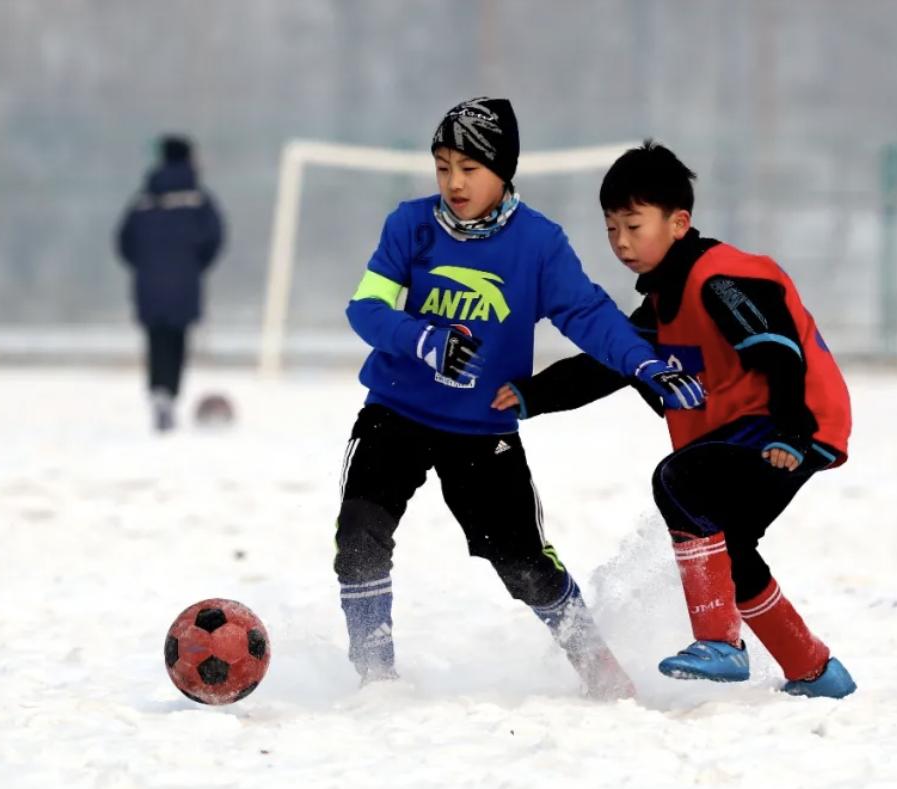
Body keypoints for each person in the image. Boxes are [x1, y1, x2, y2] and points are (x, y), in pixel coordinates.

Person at [338, 99, 705, 696]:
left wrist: (645, 363)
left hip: (483, 429)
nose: (454, 182)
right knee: (358, 534)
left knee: (523, 564)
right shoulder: (408, 225)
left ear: (503, 171)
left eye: (469, 168)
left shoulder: (538, 243)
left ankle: (599, 669)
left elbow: (588, 315)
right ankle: (375, 673)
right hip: (394, 411)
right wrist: (422, 339)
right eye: (442, 166)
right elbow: (365, 307)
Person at [492, 141, 857, 698]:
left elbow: (778, 350)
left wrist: (788, 431)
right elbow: (607, 367)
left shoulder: (720, 279)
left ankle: (720, 643)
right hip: (763, 431)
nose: (621, 242)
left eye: (634, 226)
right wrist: (528, 396)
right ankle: (815, 670)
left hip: (787, 426)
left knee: (679, 480)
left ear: (679, 222)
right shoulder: (663, 305)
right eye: (611, 228)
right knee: (730, 547)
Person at [116, 135, 224, 431]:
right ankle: (170, 393)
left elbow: (124, 241)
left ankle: (158, 392)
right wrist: (194, 266)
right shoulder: (199, 199)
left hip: (148, 284)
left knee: (155, 340)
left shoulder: (143, 199)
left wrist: (145, 266)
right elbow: (215, 238)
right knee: (177, 339)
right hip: (185, 283)